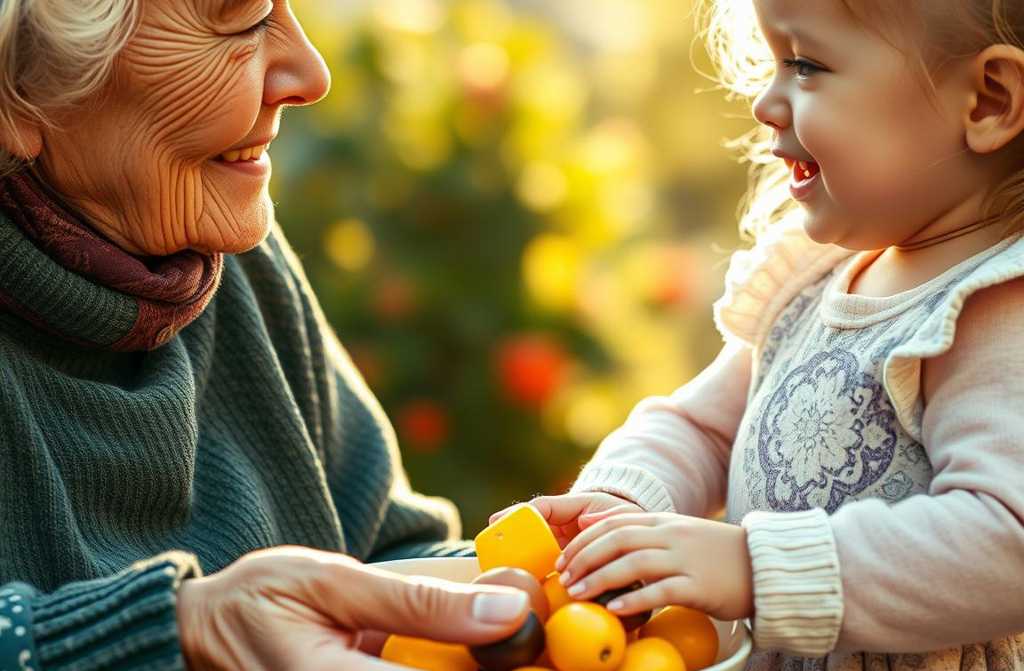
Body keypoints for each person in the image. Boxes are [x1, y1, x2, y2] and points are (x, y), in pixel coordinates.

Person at [0, 0, 532, 669]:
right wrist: (182, 630)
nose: (312, 74)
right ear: (18, 88)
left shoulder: (225, 255)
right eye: (241, 18)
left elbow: (381, 554)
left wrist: (546, 583)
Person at [492, 1, 1024, 668]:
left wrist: (752, 565)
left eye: (805, 65)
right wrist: (622, 503)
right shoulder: (812, 281)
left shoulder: (995, 307)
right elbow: (701, 428)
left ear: (989, 101)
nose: (764, 104)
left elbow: (1007, 540)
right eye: (773, 63)